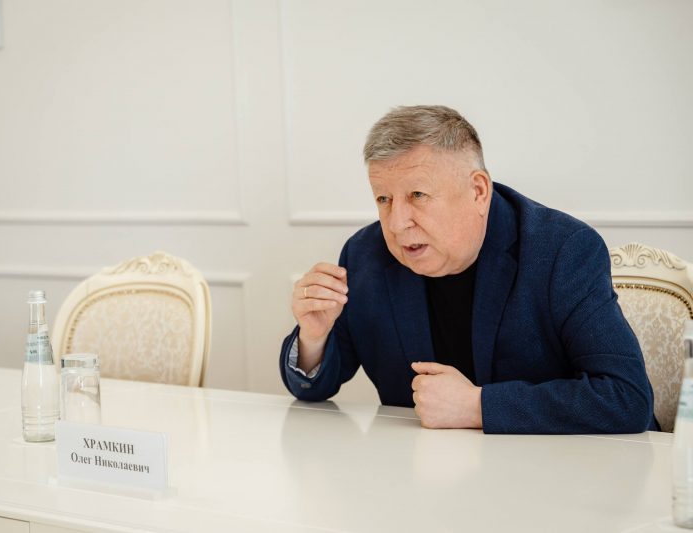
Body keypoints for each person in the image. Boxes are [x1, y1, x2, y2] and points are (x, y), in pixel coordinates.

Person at [279, 105, 656, 434]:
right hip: (415, 477)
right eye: (384, 198)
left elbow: (626, 398)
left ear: (478, 191)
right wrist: (314, 337)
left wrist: (477, 406)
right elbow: (314, 387)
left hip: (560, 475)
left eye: (417, 195)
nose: (395, 223)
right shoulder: (365, 255)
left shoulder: (562, 250)